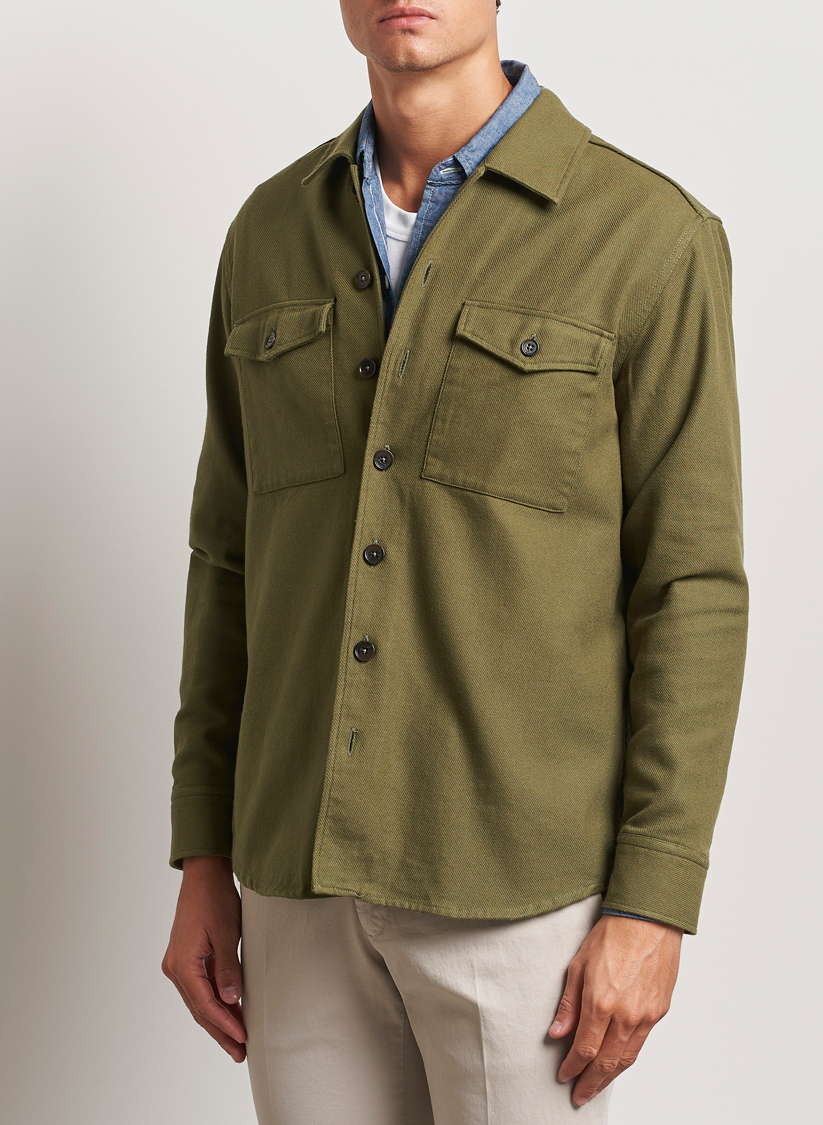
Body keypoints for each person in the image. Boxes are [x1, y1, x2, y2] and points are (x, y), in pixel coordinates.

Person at [161, 2, 749, 1122]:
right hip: (294, 881)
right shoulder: (268, 233)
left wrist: (655, 900)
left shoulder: (647, 235)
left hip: (519, 894)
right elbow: (228, 559)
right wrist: (201, 853)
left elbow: (692, 590)